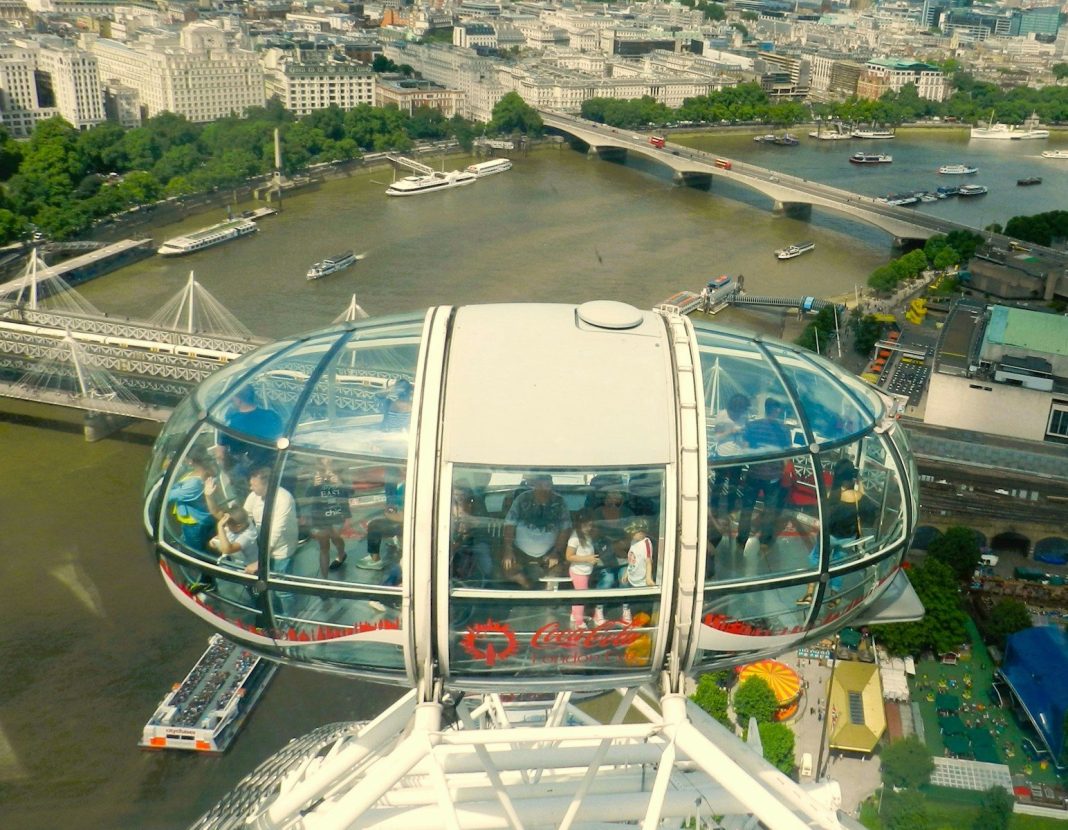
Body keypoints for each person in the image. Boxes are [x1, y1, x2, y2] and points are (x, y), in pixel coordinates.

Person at [798, 459, 863, 606]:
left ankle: (809, 593)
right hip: (848, 538)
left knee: (816, 558)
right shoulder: (857, 495)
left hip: (830, 536)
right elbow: (862, 499)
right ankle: (835, 596)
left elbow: (823, 513)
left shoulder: (831, 494)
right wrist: (859, 480)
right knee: (839, 563)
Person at [736, 398, 791, 549]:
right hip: (773, 477)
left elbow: (745, 449)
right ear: (777, 410)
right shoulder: (784, 430)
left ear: (766, 408)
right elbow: (786, 455)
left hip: (753, 473)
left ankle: (742, 539)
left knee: (747, 508)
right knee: (769, 509)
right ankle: (765, 541)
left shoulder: (752, 426)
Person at [501, 473, 572, 589]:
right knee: (507, 570)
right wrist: (508, 550)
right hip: (520, 552)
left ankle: (548, 593)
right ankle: (528, 587)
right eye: (540, 484)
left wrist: (556, 552)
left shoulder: (559, 501)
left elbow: (565, 528)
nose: (543, 488)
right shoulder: (522, 499)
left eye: (547, 485)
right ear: (534, 485)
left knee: (561, 570)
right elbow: (509, 524)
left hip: (550, 553)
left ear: (551, 485)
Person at [238, 466, 299, 577]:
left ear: (267, 485)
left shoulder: (284, 500)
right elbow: (243, 517)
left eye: (254, 485)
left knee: (281, 591)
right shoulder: (254, 496)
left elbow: (276, 531)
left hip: (280, 552)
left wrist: (260, 561)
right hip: (263, 549)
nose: (251, 488)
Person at [214, 386, 284, 481]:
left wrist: (228, 473)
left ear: (238, 400)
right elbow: (281, 440)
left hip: (247, 470)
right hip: (272, 467)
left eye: (233, 398)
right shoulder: (272, 416)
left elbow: (220, 455)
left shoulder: (231, 423)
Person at [305, 457, 351, 577]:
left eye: (329, 456)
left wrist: (340, 483)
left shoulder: (343, 470)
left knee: (335, 537)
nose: (327, 459)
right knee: (324, 545)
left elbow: (351, 491)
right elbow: (307, 494)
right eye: (324, 457)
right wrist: (314, 485)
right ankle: (324, 580)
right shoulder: (313, 473)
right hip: (319, 514)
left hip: (337, 513)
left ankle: (341, 554)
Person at [450, 484, 493, 586]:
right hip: (453, 553)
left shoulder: (475, 518)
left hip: (474, 547)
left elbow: (483, 535)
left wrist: (470, 527)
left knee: (486, 563)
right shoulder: (445, 519)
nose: (462, 504)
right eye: (457, 500)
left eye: (465, 500)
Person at [565, 510, 599, 629]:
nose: (588, 528)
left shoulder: (587, 535)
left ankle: (574, 615)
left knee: (579, 594)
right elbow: (569, 556)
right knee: (581, 596)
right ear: (579, 524)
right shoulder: (574, 538)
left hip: (585, 570)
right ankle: (579, 622)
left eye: (590, 525)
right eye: (585, 525)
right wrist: (587, 558)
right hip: (578, 571)